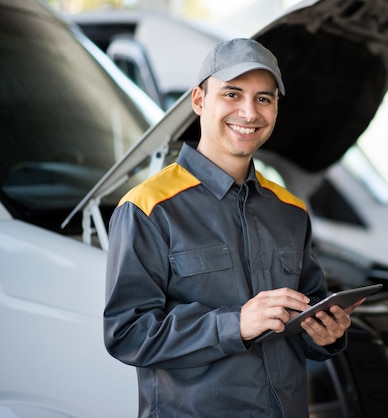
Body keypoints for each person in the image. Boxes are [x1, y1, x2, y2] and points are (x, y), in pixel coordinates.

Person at [103, 38, 362, 418]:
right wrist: (236, 324)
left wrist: (324, 335)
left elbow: (304, 316)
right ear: (199, 101)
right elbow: (127, 335)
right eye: (232, 94)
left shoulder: (290, 210)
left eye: (264, 98)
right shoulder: (148, 208)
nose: (249, 112)